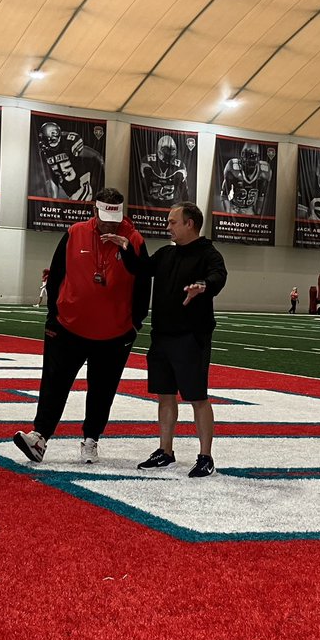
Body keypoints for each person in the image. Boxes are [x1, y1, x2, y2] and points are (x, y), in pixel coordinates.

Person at [13, 188, 150, 465]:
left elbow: (144, 282)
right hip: (67, 327)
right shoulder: (75, 233)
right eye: (105, 216)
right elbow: (56, 274)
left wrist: (135, 324)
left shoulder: (134, 240)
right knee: (54, 383)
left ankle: (91, 439)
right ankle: (40, 437)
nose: (110, 223)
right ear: (93, 210)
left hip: (115, 332)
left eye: (115, 216)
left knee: (103, 388)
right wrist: (53, 315)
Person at [116, 201, 227, 478]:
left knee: (197, 397)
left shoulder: (208, 254)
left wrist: (204, 286)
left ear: (190, 223)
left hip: (192, 337)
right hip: (162, 336)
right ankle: (165, 451)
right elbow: (142, 269)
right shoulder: (166, 253)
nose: (168, 227)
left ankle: (205, 457)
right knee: (165, 396)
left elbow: (218, 276)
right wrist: (125, 249)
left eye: (173, 222)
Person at [36, 120, 103, 200]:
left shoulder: (69, 142)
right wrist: (53, 200)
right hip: (68, 192)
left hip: (81, 188)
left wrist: (99, 158)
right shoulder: (45, 152)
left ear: (54, 138)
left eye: (46, 140)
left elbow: (89, 153)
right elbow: (53, 178)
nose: (43, 143)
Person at [220, 143, 272, 215]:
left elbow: (261, 196)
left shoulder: (263, 172)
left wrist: (258, 214)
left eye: (252, 157)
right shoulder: (233, 167)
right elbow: (224, 194)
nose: (249, 160)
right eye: (247, 156)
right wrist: (228, 213)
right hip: (234, 208)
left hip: (249, 209)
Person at [139, 135, 190, 206]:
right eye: (167, 149)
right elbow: (142, 186)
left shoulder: (179, 166)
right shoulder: (148, 162)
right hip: (151, 204)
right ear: (159, 149)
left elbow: (184, 191)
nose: (169, 153)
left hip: (171, 204)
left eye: (172, 149)